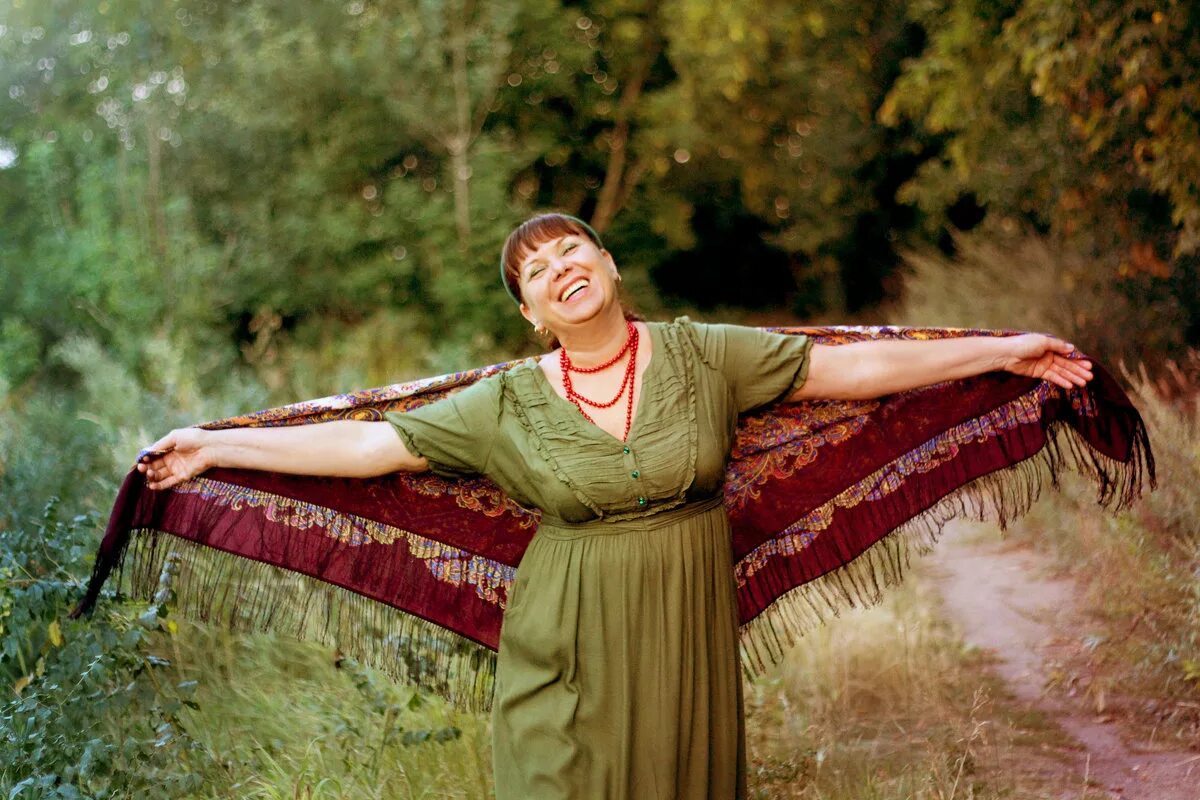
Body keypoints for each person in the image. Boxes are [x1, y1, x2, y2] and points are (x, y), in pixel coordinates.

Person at [135, 213, 1093, 799]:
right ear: (531, 312)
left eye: (570, 248)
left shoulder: (703, 353)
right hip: (563, 634)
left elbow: (859, 365)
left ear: (607, 263)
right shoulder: (504, 402)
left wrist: (1001, 350)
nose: (559, 267)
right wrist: (218, 446)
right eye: (536, 270)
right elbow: (364, 443)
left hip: (682, 623)